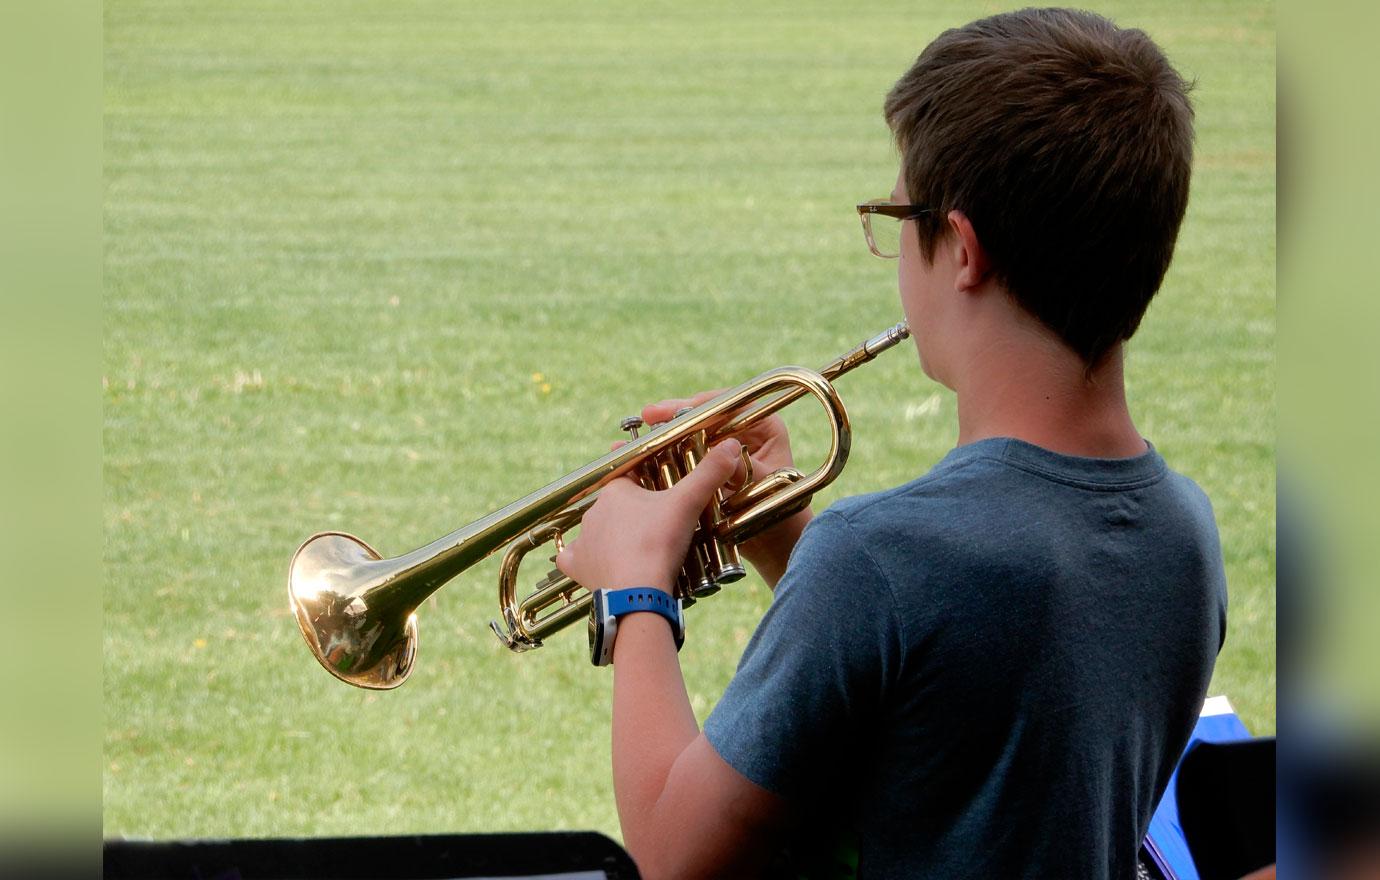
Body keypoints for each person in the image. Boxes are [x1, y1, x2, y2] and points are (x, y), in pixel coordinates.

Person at [555, 8, 1227, 879]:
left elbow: (673, 853)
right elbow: (934, 720)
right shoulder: (1186, 533)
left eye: (898, 216)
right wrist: (784, 541)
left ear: (963, 250)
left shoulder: (878, 558)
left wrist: (633, 592)